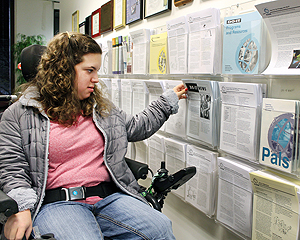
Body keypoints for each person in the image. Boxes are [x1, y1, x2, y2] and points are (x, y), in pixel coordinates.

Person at [0, 32, 187, 240]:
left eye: (96, 71)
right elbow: (12, 169)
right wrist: (23, 208)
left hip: (110, 198)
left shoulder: (100, 109)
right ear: (64, 70)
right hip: (59, 203)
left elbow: (136, 127)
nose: (95, 79)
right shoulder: (19, 114)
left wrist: (167, 101)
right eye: (89, 70)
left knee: (160, 228)